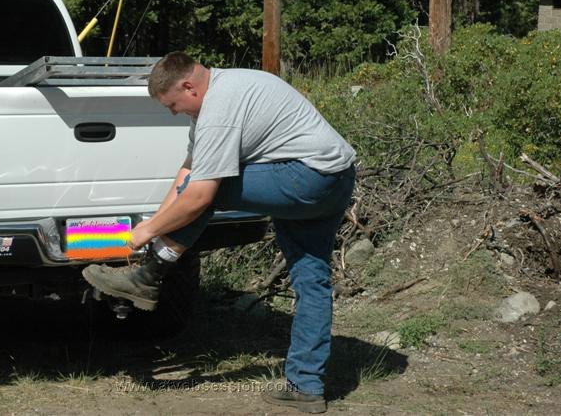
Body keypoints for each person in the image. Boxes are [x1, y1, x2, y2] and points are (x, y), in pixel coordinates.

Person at [83, 51, 356, 413]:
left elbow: (199, 195)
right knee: (312, 280)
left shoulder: (218, 110)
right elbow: (187, 173)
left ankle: (149, 276)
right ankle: (305, 387)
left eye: (173, 105)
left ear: (188, 86)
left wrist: (147, 233)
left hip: (307, 177)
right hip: (334, 179)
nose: (173, 113)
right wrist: (150, 225)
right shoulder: (225, 90)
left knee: (211, 189)